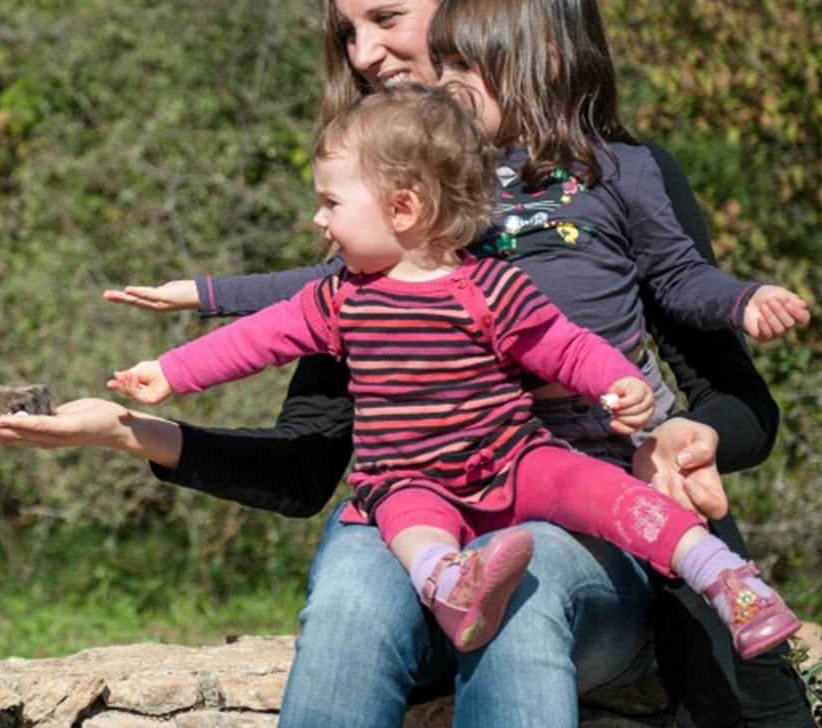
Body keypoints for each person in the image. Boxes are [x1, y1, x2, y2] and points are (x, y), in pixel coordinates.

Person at [0, 0, 820, 728]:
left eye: (384, 21)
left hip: (570, 514)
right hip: (413, 515)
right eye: (345, 30)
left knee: (519, 572)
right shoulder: (382, 220)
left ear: (465, 10)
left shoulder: (601, 184)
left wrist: (681, 436)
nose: (362, 53)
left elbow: (736, 400)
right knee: (354, 592)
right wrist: (126, 428)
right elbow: (306, 437)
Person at [106, 82, 804, 663]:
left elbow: (562, 345)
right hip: (409, 477)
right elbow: (258, 341)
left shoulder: (489, 288)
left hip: (514, 459)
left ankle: (727, 579)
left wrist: (614, 380)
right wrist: (170, 373)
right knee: (408, 522)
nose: (320, 221)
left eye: (331, 203)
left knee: (604, 488)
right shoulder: (338, 300)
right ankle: (451, 584)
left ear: (403, 208)